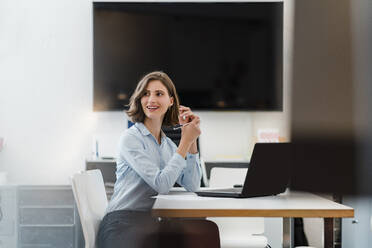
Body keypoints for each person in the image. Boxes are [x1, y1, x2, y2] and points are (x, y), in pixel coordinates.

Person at [97, 71, 220, 248]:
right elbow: (161, 184)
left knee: (206, 231)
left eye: (159, 94)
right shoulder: (131, 138)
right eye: (146, 94)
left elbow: (192, 185)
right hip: (122, 222)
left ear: (171, 101)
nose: (151, 99)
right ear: (139, 99)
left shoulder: (168, 145)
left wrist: (191, 142)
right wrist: (184, 141)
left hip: (150, 222)